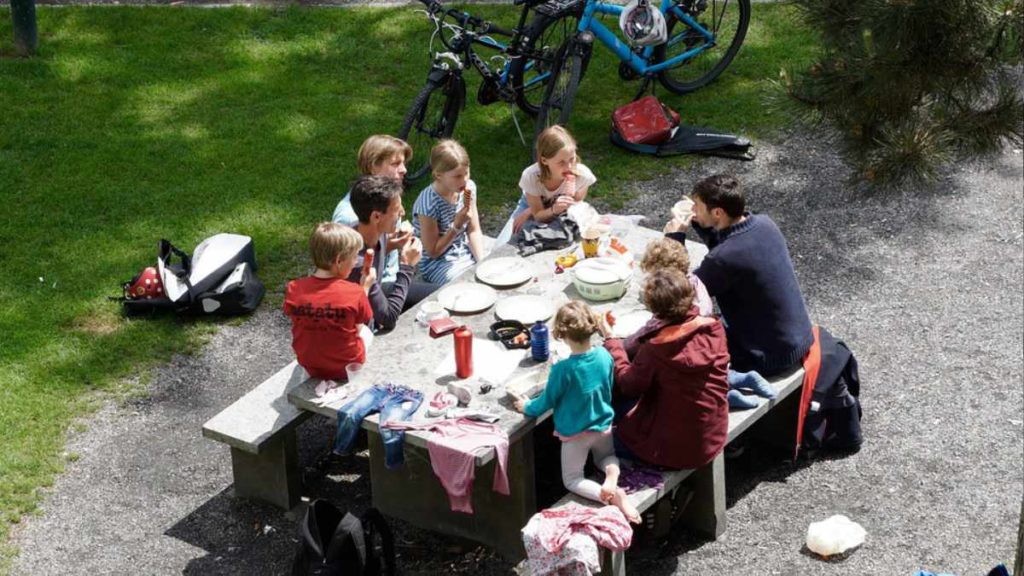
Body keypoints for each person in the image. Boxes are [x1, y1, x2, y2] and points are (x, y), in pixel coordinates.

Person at [665, 174, 814, 377]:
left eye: (697, 207)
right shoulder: (764, 224)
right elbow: (728, 244)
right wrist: (700, 220)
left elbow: (680, 292)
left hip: (767, 357)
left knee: (677, 341)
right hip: (799, 338)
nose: (692, 210)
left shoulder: (722, 259)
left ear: (717, 212)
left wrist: (674, 239)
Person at [513, 301, 640, 524]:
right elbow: (608, 384)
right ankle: (612, 474)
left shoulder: (563, 369)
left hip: (576, 433)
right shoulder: (604, 355)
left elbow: (547, 401)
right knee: (607, 457)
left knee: (572, 479)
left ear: (561, 334)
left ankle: (609, 496)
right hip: (603, 424)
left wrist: (527, 407)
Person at [604, 269, 730, 470]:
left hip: (675, 451)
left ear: (655, 310)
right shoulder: (713, 327)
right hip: (712, 434)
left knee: (603, 437)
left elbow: (628, 385)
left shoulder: (656, 348)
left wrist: (611, 341)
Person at [283, 222, 374, 381]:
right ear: (339, 260)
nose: (356, 262)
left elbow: (298, 320)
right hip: (347, 368)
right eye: (354, 257)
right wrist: (364, 287)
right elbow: (358, 326)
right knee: (366, 331)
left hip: (309, 365)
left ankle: (310, 375)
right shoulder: (354, 292)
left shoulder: (294, 289)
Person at [349, 175, 435, 332]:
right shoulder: (357, 264)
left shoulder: (370, 230)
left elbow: (378, 250)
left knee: (438, 294)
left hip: (377, 290)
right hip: (362, 329)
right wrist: (407, 266)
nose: (402, 212)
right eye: (396, 209)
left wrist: (396, 244)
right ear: (376, 216)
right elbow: (388, 318)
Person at [332, 135, 414, 285]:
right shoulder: (351, 217)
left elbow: (374, 250)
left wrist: (394, 243)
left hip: (390, 277)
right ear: (373, 166)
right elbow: (348, 272)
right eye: (395, 164)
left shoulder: (390, 198)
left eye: (403, 163)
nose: (404, 170)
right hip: (372, 288)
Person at [496, 126, 597, 245]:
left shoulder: (583, 175)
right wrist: (531, 211)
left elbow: (575, 205)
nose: (569, 167)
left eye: (572, 159)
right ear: (544, 161)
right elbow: (538, 215)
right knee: (503, 244)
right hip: (531, 204)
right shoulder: (531, 176)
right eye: (561, 162)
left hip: (558, 209)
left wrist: (561, 207)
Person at [412, 140, 486, 284]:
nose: (464, 180)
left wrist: (482, 262)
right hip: (437, 263)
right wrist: (456, 226)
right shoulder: (428, 204)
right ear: (438, 175)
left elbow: (474, 230)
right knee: (465, 287)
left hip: (464, 250)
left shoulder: (468, 189)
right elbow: (433, 252)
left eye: (467, 173)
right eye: (457, 176)